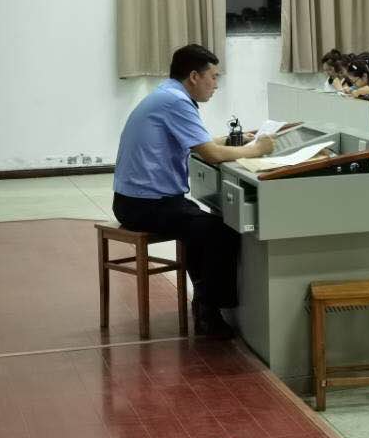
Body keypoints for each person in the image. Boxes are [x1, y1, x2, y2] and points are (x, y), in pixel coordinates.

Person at [113, 44, 274, 338]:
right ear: (194, 77)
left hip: (136, 201)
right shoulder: (176, 101)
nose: (216, 85)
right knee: (220, 231)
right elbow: (210, 154)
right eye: (213, 77)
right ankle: (209, 313)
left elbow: (200, 143)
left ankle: (203, 299)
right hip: (145, 205)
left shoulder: (167, 95)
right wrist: (256, 150)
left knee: (199, 224)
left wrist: (234, 140)